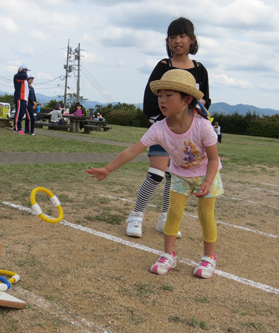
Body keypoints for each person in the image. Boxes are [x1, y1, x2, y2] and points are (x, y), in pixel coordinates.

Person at [86, 69, 223, 279]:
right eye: (160, 95)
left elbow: (213, 159)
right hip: (180, 176)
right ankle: (169, 255)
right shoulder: (159, 128)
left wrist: (208, 180)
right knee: (173, 214)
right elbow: (133, 150)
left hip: (206, 176)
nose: (162, 100)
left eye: (169, 95)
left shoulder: (203, 126)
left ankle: (208, 258)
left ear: (186, 99)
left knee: (205, 217)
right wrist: (108, 169)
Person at [125, 17, 211, 239]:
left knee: (174, 177)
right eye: (172, 37)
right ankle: (136, 216)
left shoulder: (200, 70)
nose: (177, 41)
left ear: (192, 39)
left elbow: (204, 101)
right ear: (167, 41)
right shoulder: (164, 66)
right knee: (156, 174)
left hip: (189, 132)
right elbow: (150, 100)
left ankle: (165, 218)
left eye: (182, 36)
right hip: (164, 129)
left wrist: (196, 117)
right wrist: (164, 118)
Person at [13, 65, 30, 135]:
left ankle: (19, 128)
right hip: (19, 97)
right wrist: (20, 71)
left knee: (22, 114)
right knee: (18, 113)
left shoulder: (25, 80)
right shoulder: (18, 76)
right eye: (25, 70)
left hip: (24, 98)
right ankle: (16, 128)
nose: (26, 72)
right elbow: (24, 76)